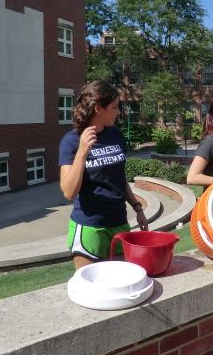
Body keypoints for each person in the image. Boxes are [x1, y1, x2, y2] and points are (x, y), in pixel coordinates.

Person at [59, 80, 147, 270]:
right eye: (115, 107)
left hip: (119, 222)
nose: (118, 112)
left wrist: (137, 207)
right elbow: (68, 192)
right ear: (99, 109)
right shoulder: (72, 141)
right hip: (90, 227)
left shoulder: (115, 134)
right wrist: (82, 151)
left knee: (122, 283)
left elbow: (118, 177)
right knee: (91, 290)